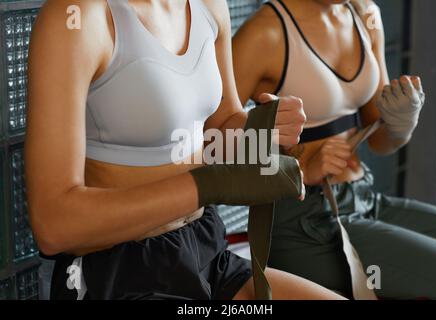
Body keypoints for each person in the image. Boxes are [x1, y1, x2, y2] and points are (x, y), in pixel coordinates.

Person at [25, 0, 345, 300]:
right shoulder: (76, 18)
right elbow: (54, 226)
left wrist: (259, 128)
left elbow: (221, 124)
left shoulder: (208, 5)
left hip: (206, 249)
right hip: (119, 272)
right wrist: (212, 185)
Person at [233, 0, 436, 299]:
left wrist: (401, 124)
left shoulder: (366, 15)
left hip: (363, 197)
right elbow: (207, 145)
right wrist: (296, 171)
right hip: (305, 225)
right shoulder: (265, 32)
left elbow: (380, 141)